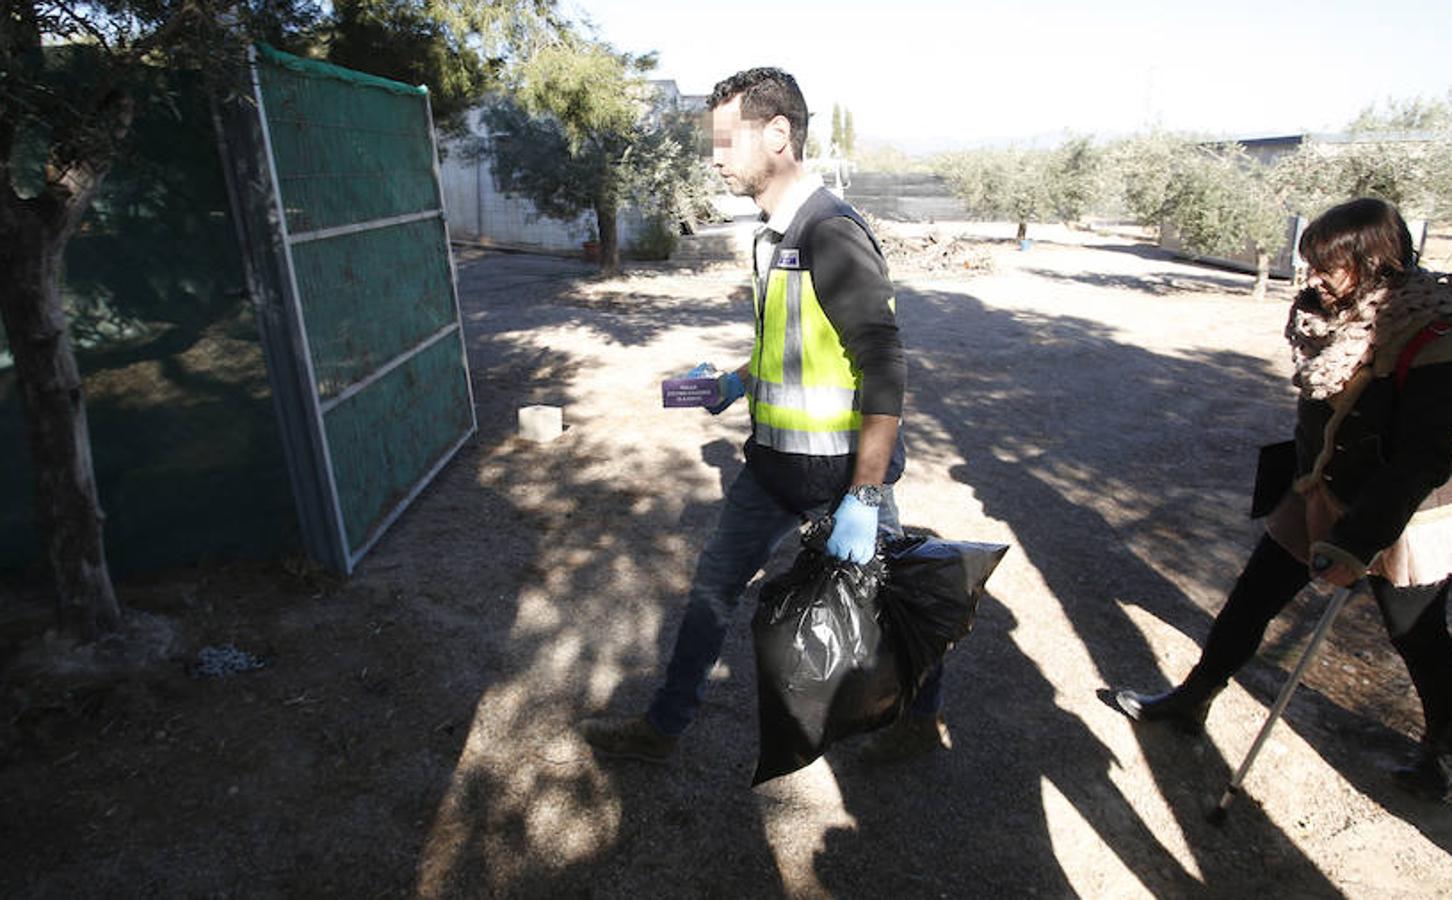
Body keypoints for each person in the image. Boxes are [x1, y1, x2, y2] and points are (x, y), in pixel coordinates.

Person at [579, 67, 948, 763]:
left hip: (844, 477)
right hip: (773, 470)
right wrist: (729, 384)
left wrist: (866, 494)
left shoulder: (831, 232)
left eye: (726, 139)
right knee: (714, 588)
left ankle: (921, 717)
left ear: (778, 134)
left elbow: (883, 364)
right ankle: (664, 726)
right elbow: (795, 353)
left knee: (890, 604)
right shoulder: (774, 235)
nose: (714, 156)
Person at [1111, 197, 1452, 804]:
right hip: (1322, 489)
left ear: (1375, 262)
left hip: (1404, 513)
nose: (1312, 278)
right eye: (1309, 263)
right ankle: (1193, 700)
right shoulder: (1325, 316)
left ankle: (1444, 753)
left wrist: (1354, 542)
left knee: (1417, 636)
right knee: (1249, 601)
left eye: (1327, 265)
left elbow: (1424, 457)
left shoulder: (1431, 330)